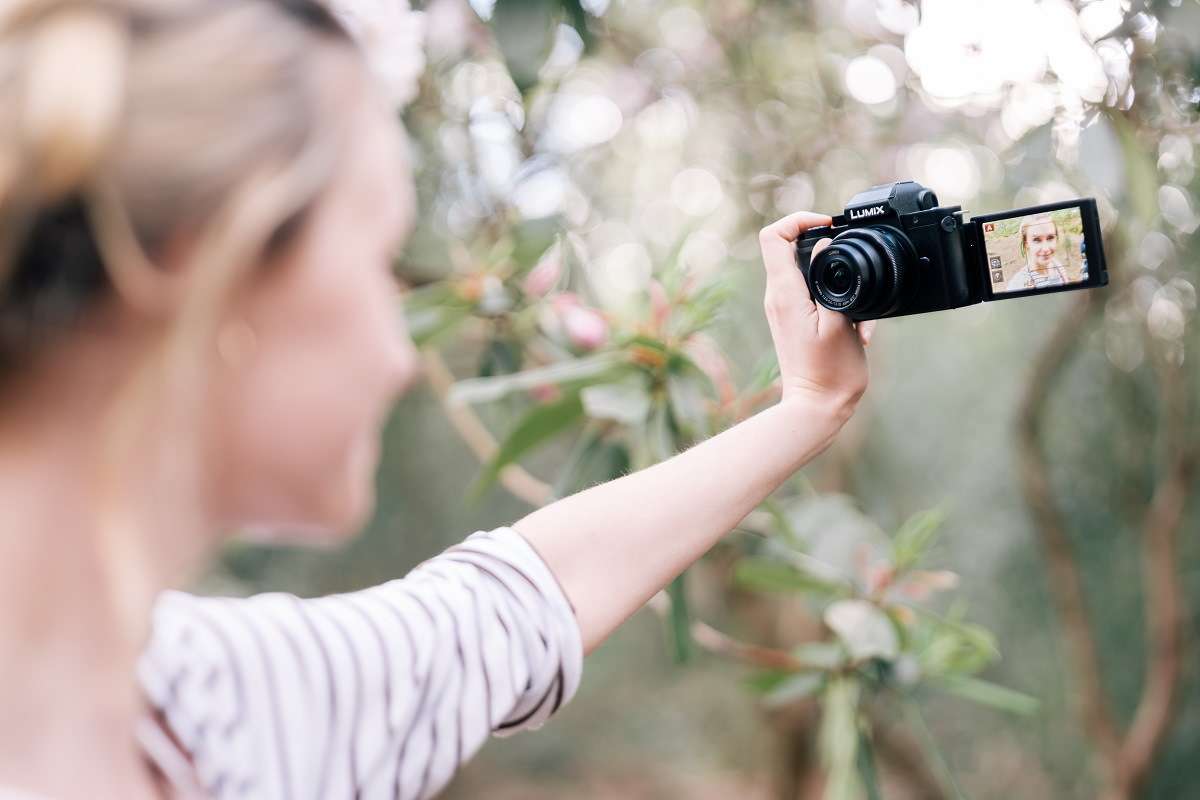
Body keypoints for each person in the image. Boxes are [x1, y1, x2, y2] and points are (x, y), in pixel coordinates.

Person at [0, 0, 874, 798]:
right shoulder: (220, 716)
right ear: (212, 272)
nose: (404, 353)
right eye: (378, 260)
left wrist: (806, 405)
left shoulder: (216, 710)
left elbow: (520, 604)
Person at [1003, 212, 1069, 292]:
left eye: (1050, 238)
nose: (1045, 248)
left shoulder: (1056, 265)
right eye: (1036, 240)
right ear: (1026, 243)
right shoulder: (1017, 284)